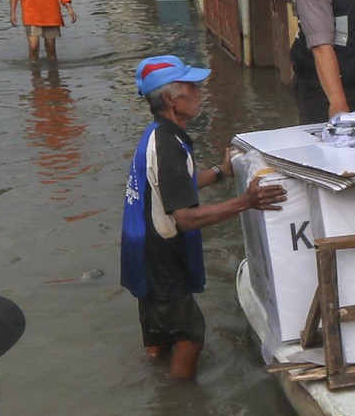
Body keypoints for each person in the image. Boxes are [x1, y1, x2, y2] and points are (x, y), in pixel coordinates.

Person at [121, 55, 287, 379]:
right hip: (162, 257)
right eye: (191, 87)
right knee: (191, 335)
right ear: (171, 99)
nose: (200, 92)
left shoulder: (158, 134)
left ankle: (154, 383)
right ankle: (180, 407)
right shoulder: (168, 146)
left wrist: (219, 173)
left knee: (157, 338)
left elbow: (174, 186)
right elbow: (185, 218)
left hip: (142, 251)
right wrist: (246, 201)